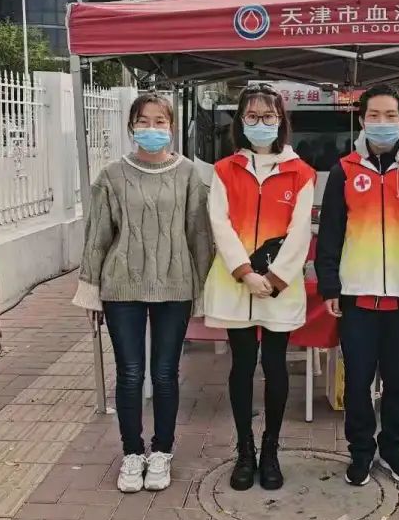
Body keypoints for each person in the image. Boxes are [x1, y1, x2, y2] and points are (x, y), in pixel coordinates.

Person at [73, 93, 213, 493]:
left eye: (159, 121)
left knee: (165, 373)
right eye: (143, 121)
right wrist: (90, 290)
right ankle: (132, 453)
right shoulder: (111, 176)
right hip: (122, 287)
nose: (152, 129)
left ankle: (162, 451)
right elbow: (98, 237)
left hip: (175, 286)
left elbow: (199, 235)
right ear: (131, 127)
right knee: (130, 373)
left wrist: (202, 289)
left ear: (171, 126)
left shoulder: (188, 174)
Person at [315, 85, 399, 487]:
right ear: (362, 120)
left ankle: (394, 449)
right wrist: (330, 286)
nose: (381, 123)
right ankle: (361, 451)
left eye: (390, 116)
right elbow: (330, 234)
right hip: (356, 295)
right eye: (373, 115)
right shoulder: (344, 170)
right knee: (358, 379)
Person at [204, 84, 315, 491]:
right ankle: (245, 450)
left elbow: (300, 231)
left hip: (278, 288)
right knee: (241, 365)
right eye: (252, 116)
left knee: (275, 365)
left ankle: (271, 450)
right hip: (237, 284)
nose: (261, 123)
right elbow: (220, 224)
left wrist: (274, 278)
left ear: (281, 121)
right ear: (240, 121)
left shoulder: (301, 172)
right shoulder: (224, 170)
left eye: (269, 116)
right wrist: (245, 272)